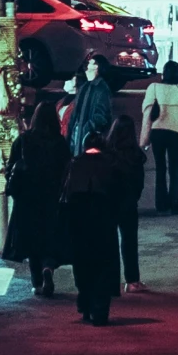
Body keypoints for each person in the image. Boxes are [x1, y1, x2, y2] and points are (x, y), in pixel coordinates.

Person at [2, 93, 70, 294]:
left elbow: (10, 167)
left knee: (32, 240)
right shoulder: (60, 142)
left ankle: (37, 283)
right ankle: (48, 267)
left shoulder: (23, 141)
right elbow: (68, 168)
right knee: (50, 236)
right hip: (52, 197)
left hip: (27, 199)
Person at [63, 134, 121, 325]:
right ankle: (100, 308)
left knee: (82, 263)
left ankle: (85, 302)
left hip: (78, 223)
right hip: (104, 223)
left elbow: (66, 193)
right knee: (104, 264)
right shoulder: (110, 165)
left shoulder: (75, 164)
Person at [141, 59, 178, 212]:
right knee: (174, 169)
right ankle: (175, 202)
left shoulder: (154, 88)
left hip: (158, 132)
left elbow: (146, 111)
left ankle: (161, 203)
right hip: (177, 133)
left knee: (160, 168)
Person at [106, 113, 147, 292]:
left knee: (109, 242)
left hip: (108, 202)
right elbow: (140, 182)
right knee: (129, 241)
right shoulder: (135, 155)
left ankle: (110, 280)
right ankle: (132, 281)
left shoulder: (107, 153)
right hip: (129, 203)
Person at [65, 54, 115, 154]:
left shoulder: (101, 89)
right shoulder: (85, 86)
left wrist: (87, 129)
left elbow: (101, 116)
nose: (87, 66)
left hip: (87, 139)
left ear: (97, 67)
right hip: (77, 136)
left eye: (91, 63)